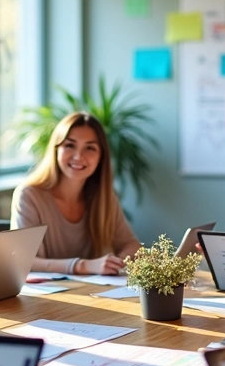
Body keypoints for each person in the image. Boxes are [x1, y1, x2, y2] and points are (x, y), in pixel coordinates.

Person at [11, 112, 140, 274]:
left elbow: (131, 245)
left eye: (90, 148)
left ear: (101, 157)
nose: (78, 156)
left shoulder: (104, 197)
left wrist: (117, 264)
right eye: (70, 145)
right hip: (47, 295)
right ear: (56, 149)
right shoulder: (29, 195)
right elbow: (23, 261)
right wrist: (82, 266)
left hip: (94, 293)